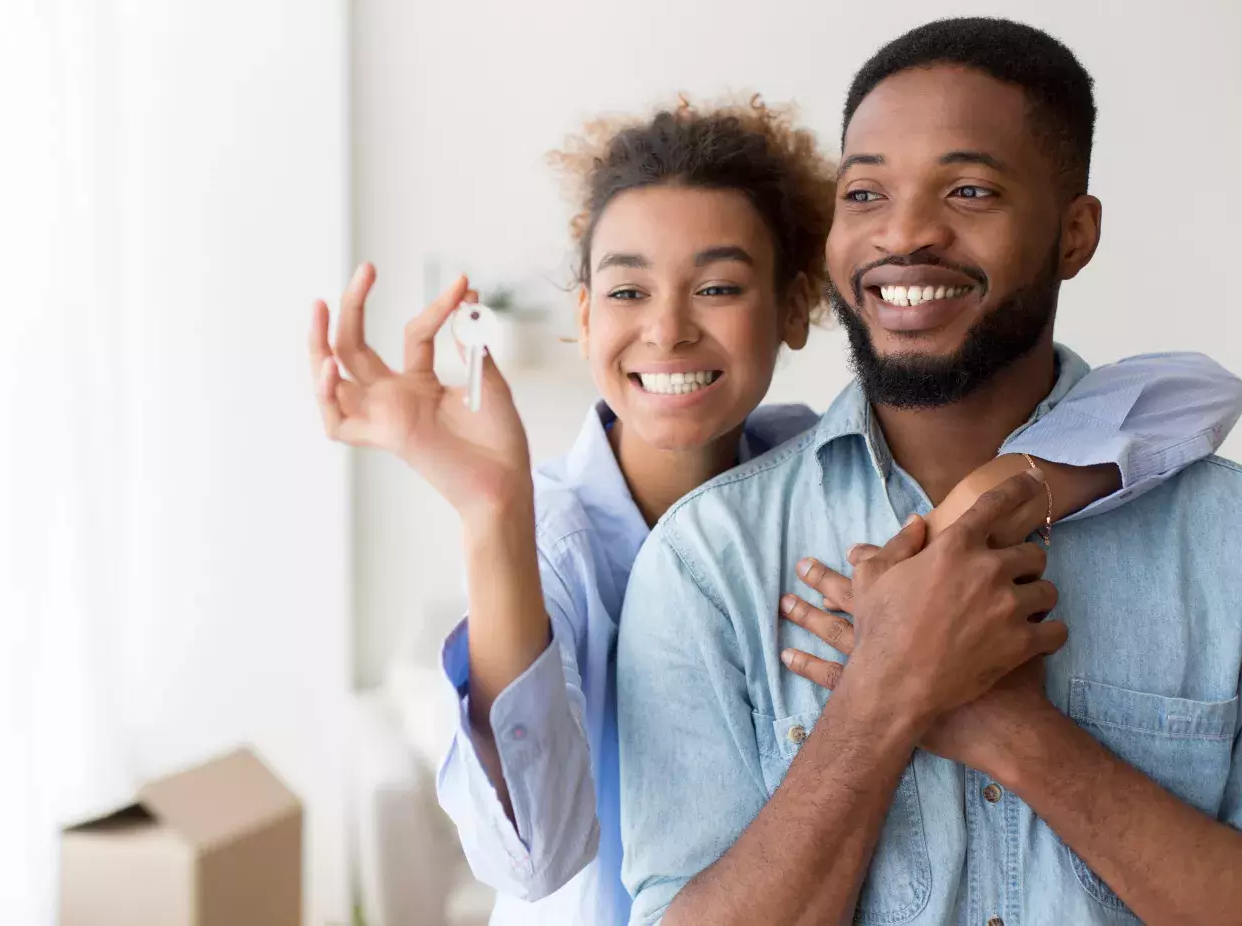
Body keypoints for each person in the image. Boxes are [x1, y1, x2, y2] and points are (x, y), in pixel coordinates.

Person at [309, 98, 1242, 926]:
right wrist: (492, 508)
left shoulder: (816, 467)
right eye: (629, 291)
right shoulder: (557, 539)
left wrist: (981, 503)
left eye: (717, 288)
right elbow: (530, 856)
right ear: (585, 315)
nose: (670, 328)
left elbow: (1193, 393)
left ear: (798, 309)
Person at [616, 17, 1242, 926]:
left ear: (1074, 235)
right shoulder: (709, 559)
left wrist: (1018, 735)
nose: (904, 233)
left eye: (971, 190)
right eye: (864, 192)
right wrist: (883, 693)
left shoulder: (1223, 541)